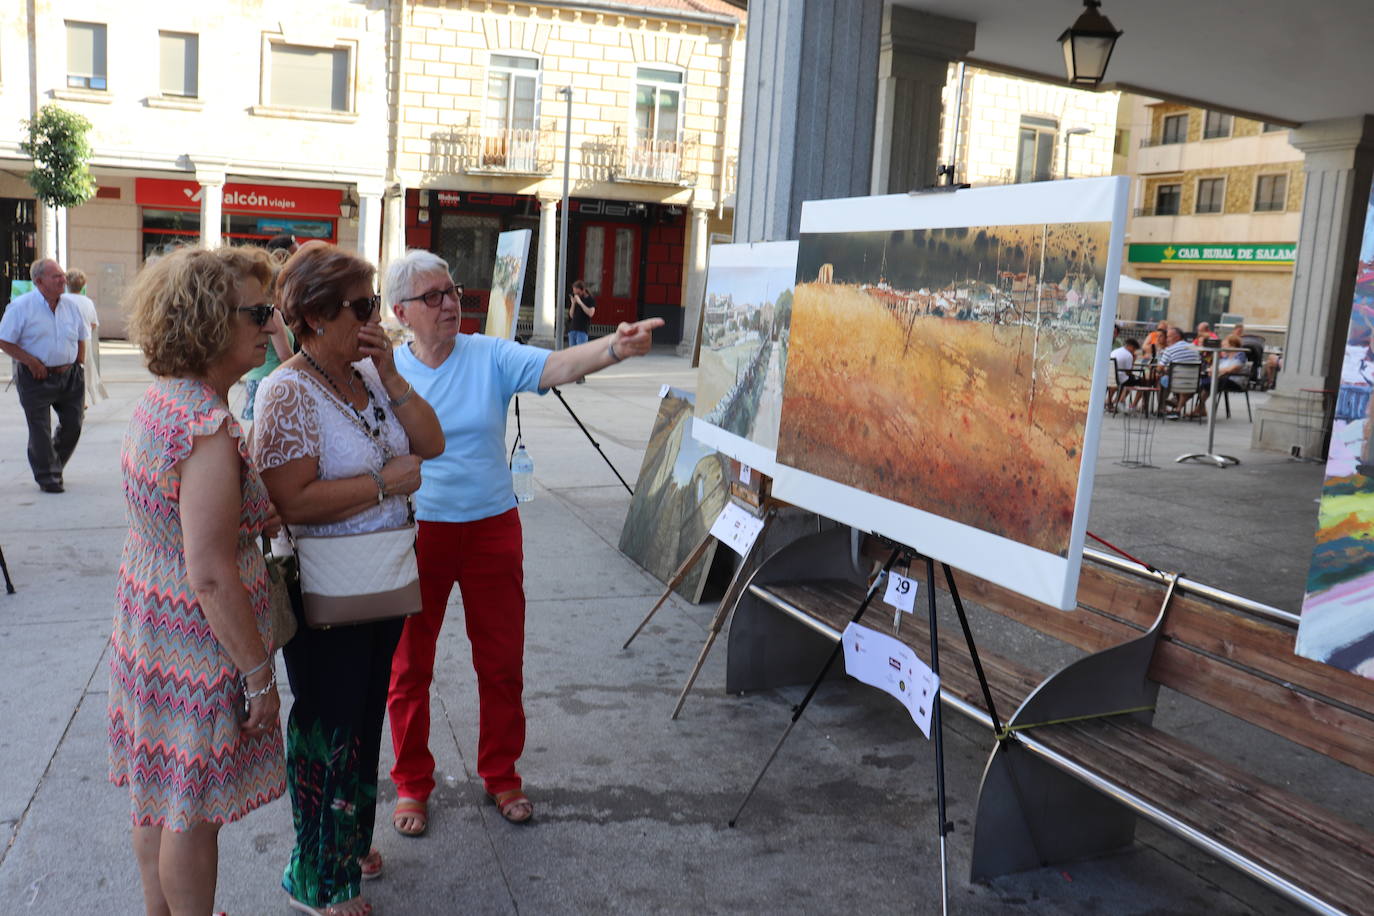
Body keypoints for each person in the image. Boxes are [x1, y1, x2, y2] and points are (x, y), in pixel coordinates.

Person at [382, 249, 662, 835]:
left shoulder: (488, 354)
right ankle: (411, 783)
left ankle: (501, 772)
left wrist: (615, 346)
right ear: (402, 312)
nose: (450, 303)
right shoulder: (387, 371)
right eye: (433, 297)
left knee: (501, 662)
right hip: (416, 533)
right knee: (409, 669)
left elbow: (557, 365)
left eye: (453, 290)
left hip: (490, 527)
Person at [252, 244, 443, 916]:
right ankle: (317, 875)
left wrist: (390, 371)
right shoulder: (286, 392)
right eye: (361, 306)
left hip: (383, 580)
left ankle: (350, 842)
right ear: (313, 315)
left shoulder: (367, 373)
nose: (373, 319)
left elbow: (433, 442)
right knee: (327, 728)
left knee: (363, 719)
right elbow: (294, 501)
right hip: (325, 587)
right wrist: (383, 482)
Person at [110, 245, 287, 915]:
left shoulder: (165, 401)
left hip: (150, 621)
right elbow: (211, 573)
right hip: (195, 636)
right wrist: (258, 675)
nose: (269, 324)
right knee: (189, 810)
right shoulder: (205, 427)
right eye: (258, 312)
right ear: (214, 322)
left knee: (157, 790)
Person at [0, 258, 89, 493]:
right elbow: (4, 339)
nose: (63, 279)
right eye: (56, 276)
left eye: (63, 275)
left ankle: (53, 464)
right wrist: (30, 361)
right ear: (39, 282)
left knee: (74, 424)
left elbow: (81, 335)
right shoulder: (21, 307)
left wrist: (79, 363)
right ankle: (48, 476)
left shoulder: (71, 305)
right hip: (34, 376)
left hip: (69, 375)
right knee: (40, 428)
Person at [241, 305, 294, 421]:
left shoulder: (256, 312)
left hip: (256, 379)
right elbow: (284, 354)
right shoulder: (272, 314)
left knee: (257, 432)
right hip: (272, 381)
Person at [66, 268, 109, 407]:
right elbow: (94, 323)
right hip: (85, 340)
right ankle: (82, 399)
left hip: (66, 339)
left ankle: (69, 397)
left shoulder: (62, 300)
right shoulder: (87, 302)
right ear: (84, 285)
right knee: (85, 370)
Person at [1158, 325, 1206, 417]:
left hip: (1175, 382)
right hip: (1194, 383)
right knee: (1186, 383)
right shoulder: (1194, 347)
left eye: (1168, 336)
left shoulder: (1169, 350)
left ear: (1177, 337)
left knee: (1160, 380)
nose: (1167, 339)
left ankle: (1162, 408)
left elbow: (1159, 369)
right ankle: (1177, 407)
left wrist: (1161, 369)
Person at [1106, 337, 1141, 411]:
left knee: (1130, 380)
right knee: (1137, 381)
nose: (1134, 351)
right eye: (1134, 349)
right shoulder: (1128, 355)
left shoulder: (1116, 351)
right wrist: (1133, 360)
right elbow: (1129, 372)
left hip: (1110, 376)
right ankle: (1120, 401)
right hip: (1120, 378)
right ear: (1131, 347)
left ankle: (1113, 401)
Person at [567, 279, 596, 348]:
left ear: (582, 290)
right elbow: (571, 315)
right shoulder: (576, 298)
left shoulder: (590, 299)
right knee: (572, 352)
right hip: (572, 329)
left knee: (580, 352)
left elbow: (591, 313)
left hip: (582, 330)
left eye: (577, 292)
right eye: (574, 292)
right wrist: (573, 304)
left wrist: (580, 302)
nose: (575, 294)